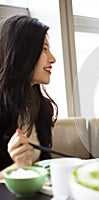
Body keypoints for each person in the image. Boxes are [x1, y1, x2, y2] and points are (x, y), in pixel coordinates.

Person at [0, 15, 58, 178]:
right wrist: (18, 167)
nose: (53, 59)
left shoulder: (41, 107)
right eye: (44, 49)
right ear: (22, 53)